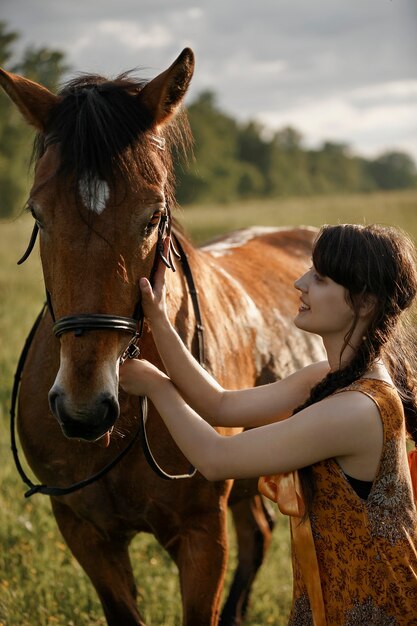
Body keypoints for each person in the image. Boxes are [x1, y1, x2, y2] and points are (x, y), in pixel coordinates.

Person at [119, 223, 417, 625]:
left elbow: (215, 459)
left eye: (320, 278)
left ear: (363, 303)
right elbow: (219, 404)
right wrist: (158, 316)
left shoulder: (357, 409)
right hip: (335, 594)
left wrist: (156, 385)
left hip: (373, 608)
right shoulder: (328, 379)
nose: (299, 282)